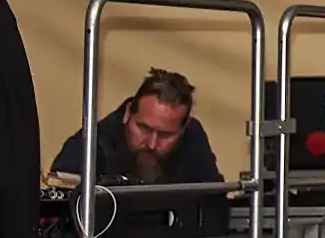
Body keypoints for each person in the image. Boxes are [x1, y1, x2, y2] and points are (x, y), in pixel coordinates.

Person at [48, 68, 222, 186]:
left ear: (184, 129)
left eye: (165, 135)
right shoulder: (88, 147)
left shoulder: (193, 137)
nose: (152, 144)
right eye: (144, 128)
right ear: (127, 113)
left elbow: (215, 208)